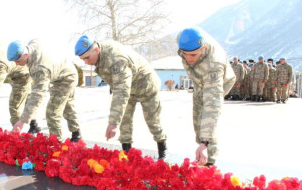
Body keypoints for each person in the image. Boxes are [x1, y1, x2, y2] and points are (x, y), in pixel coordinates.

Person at [74, 35, 168, 159]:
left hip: (146, 87)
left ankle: (163, 151)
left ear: (96, 50)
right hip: (128, 89)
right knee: (125, 122)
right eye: (83, 60)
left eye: (87, 58)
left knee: (152, 121)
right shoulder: (100, 54)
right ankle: (127, 154)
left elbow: (121, 91)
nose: (86, 62)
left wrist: (112, 123)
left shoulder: (116, 59)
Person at [177, 27, 236, 166]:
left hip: (219, 82)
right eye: (185, 54)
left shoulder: (214, 65)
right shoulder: (184, 39)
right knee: (197, 119)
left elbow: (212, 106)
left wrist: (205, 142)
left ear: (203, 48)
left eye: (193, 55)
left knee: (207, 117)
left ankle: (209, 161)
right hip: (199, 82)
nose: (188, 58)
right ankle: (202, 152)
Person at [7, 39, 81, 142]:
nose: (17, 64)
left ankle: (56, 144)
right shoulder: (31, 46)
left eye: (18, 61)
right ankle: (77, 135)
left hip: (66, 78)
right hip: (65, 71)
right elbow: (35, 40)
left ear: (25, 54)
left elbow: (37, 95)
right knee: (67, 106)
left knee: (52, 112)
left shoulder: (40, 68)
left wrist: (22, 121)